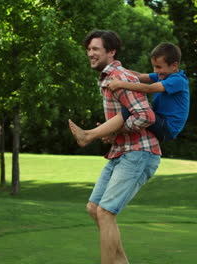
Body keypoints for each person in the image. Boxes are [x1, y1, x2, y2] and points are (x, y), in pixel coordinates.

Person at [72, 30, 161, 264]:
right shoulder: (106, 78)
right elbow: (127, 116)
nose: (90, 54)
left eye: (96, 49)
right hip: (121, 152)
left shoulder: (119, 78)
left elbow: (146, 116)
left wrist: (115, 130)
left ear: (111, 52)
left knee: (105, 212)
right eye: (89, 49)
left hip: (139, 152)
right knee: (94, 208)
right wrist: (112, 133)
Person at [69, 42, 190, 147]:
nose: (155, 71)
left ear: (174, 66)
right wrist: (116, 70)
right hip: (159, 119)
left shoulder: (178, 81)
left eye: (158, 67)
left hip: (167, 128)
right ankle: (108, 132)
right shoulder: (162, 75)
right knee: (132, 112)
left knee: (132, 110)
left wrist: (121, 84)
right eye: (153, 66)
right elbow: (139, 76)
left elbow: (149, 88)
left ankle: (89, 136)